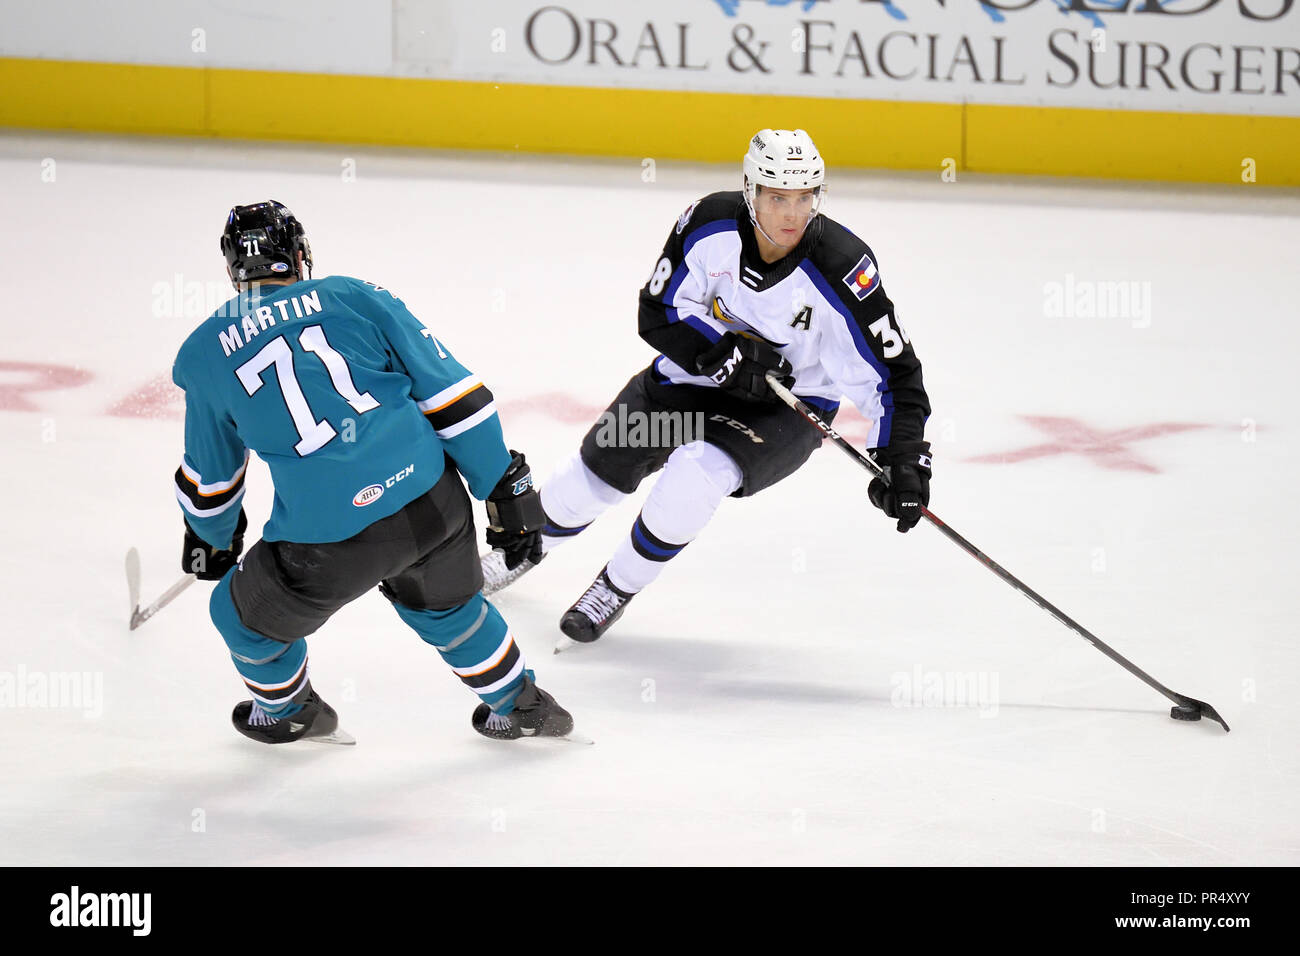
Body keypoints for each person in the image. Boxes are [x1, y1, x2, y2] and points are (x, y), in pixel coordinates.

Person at [481, 129, 932, 646]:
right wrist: (723, 356)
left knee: (696, 471)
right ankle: (521, 549)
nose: (792, 213)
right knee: (595, 472)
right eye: (778, 197)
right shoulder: (706, 224)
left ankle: (616, 586)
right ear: (750, 191)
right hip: (691, 379)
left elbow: (894, 374)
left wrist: (904, 458)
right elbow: (658, 311)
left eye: (805, 197)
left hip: (788, 409)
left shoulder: (843, 267)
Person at [172, 200, 574, 744]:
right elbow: (454, 396)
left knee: (238, 617)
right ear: (297, 254)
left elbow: (212, 480)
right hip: (432, 501)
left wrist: (212, 540)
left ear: (232, 270)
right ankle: (520, 704)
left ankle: (289, 711)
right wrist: (502, 486)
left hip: (329, 543)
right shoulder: (354, 295)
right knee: (450, 609)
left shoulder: (203, 353)